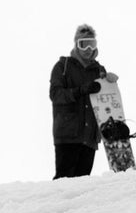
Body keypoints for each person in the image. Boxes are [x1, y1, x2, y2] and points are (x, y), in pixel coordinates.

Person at [49, 24, 118, 179]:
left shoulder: (98, 70)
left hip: (89, 138)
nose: (88, 49)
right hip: (68, 135)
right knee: (64, 181)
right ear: (76, 45)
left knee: (82, 184)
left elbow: (105, 100)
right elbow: (55, 95)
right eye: (83, 44)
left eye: (91, 44)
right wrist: (80, 90)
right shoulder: (62, 67)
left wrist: (110, 82)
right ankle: (56, 204)